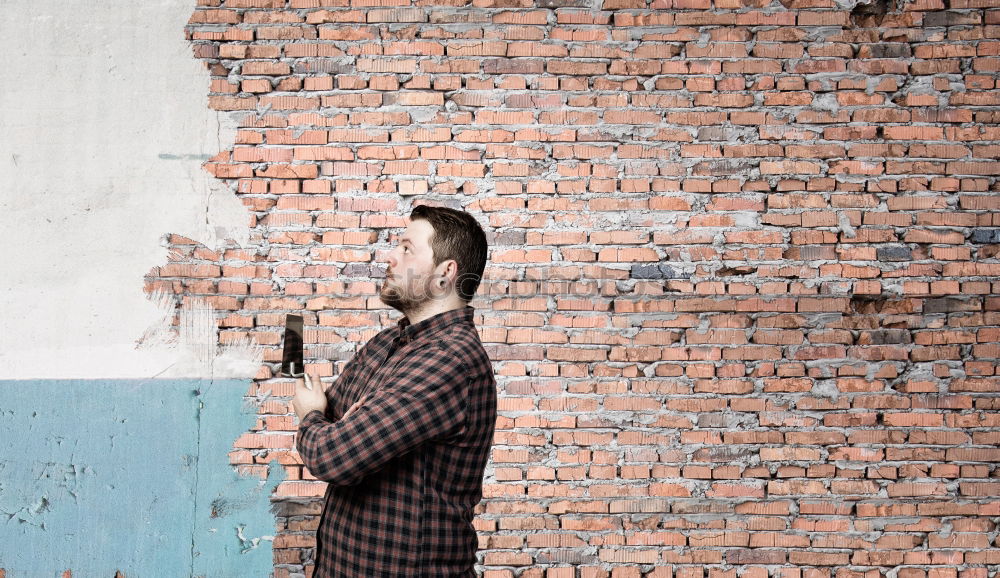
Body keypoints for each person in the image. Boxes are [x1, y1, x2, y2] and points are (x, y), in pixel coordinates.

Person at [292, 204, 496, 577]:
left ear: (444, 274)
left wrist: (311, 415)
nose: (390, 257)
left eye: (406, 249)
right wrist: (338, 426)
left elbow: (332, 455)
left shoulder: (449, 360)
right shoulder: (389, 343)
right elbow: (337, 422)